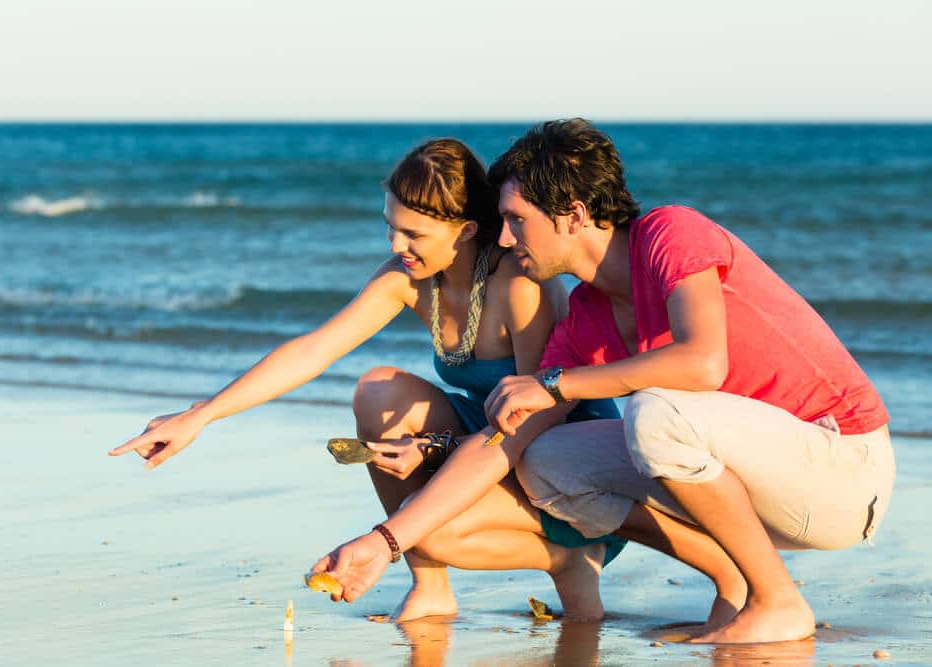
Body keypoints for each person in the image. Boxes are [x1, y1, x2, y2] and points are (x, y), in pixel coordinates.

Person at [311, 119, 894, 644]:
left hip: (842, 470)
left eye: (517, 220)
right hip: (758, 481)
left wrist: (562, 385)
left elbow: (702, 363)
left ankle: (778, 602)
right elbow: (505, 441)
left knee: (656, 413)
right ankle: (738, 586)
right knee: (547, 458)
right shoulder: (587, 314)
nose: (506, 238)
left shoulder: (671, 233)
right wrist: (385, 542)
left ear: (573, 214)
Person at [109, 138, 624, 622]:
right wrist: (201, 416)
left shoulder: (518, 283)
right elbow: (314, 349)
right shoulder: (410, 278)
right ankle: (430, 586)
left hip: (559, 451)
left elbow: (532, 420)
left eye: (414, 234)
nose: (397, 244)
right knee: (379, 390)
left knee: (425, 525)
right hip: (487, 433)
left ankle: (567, 557)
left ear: (466, 230)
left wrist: (435, 446)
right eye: (391, 227)